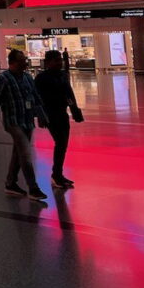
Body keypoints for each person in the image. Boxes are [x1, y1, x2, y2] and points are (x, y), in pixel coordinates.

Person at [0, 48, 49, 200]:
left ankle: (10, 183)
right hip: (13, 122)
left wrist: (41, 114)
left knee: (19, 152)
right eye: (22, 61)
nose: (25, 63)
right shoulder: (3, 78)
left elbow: (35, 96)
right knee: (26, 153)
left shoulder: (27, 77)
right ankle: (33, 188)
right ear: (13, 62)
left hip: (27, 120)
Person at [35, 50, 83, 188]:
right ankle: (56, 175)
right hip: (51, 114)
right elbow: (36, 98)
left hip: (62, 113)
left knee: (62, 144)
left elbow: (69, 94)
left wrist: (75, 110)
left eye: (60, 60)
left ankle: (58, 174)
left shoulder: (62, 76)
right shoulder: (41, 78)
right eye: (56, 60)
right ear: (48, 62)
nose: (59, 63)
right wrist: (40, 115)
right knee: (60, 142)